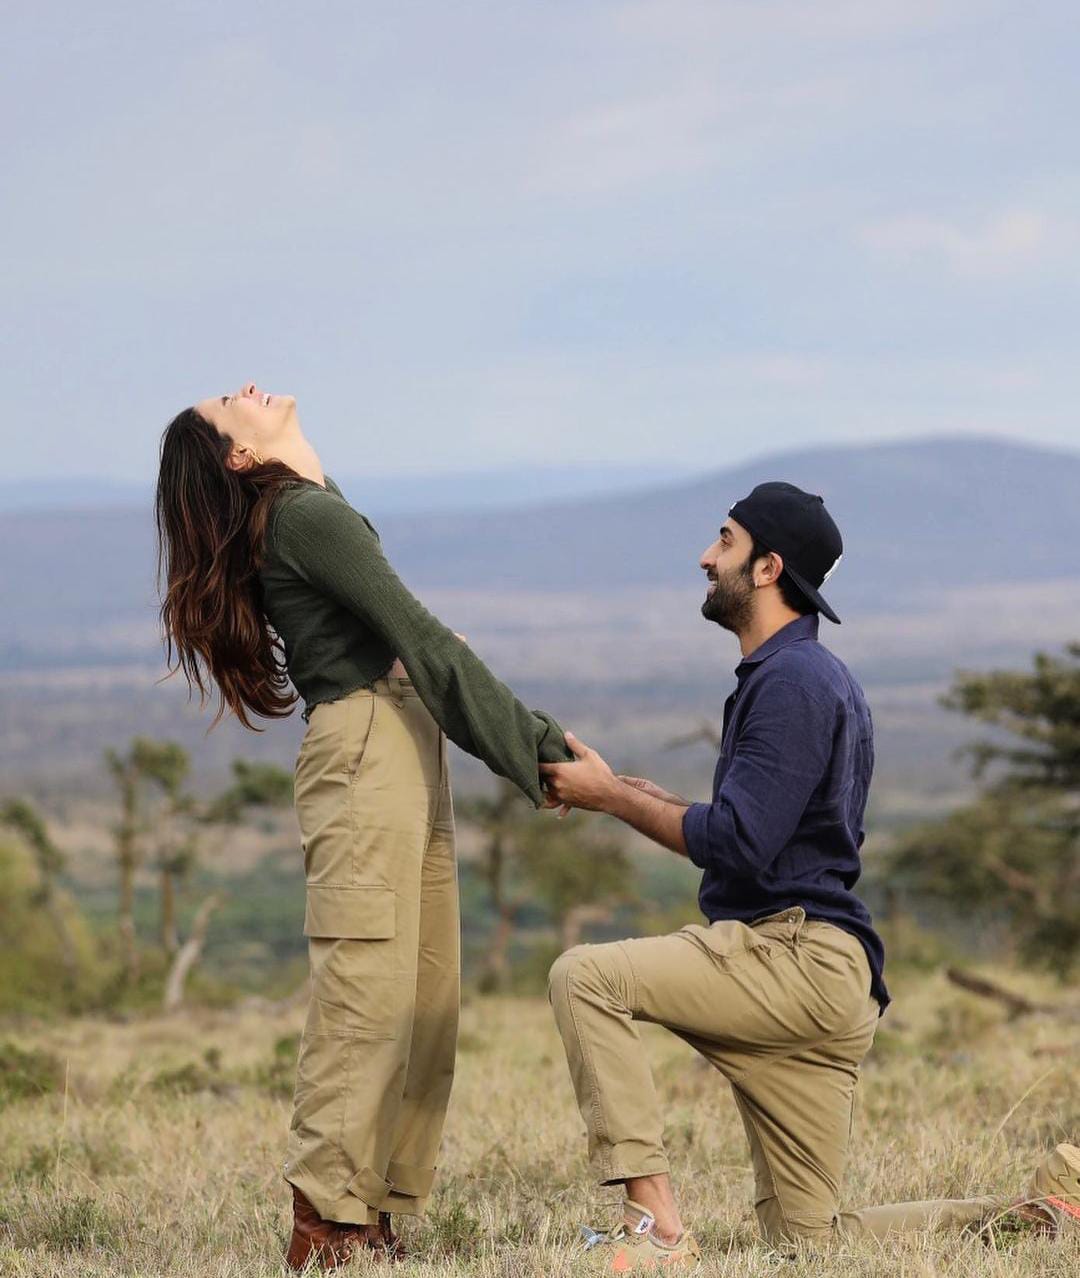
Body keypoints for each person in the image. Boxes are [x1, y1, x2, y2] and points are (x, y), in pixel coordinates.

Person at [541, 482, 1079, 1270]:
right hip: (827, 977)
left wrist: (614, 799)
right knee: (810, 1244)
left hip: (793, 962)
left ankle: (653, 1229)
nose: (704, 555)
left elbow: (740, 842)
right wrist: (631, 793)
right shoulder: (806, 677)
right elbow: (768, 831)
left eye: (723, 541)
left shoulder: (791, 684)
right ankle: (1045, 1215)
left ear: (768, 567)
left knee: (585, 978)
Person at [155, 381, 572, 1270]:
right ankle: (326, 1220)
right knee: (366, 994)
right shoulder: (304, 517)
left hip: (402, 733)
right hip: (366, 739)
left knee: (424, 994)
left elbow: (416, 651)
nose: (246, 389)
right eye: (230, 406)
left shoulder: (313, 506)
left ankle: (373, 1206)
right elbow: (428, 639)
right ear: (240, 456)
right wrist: (538, 750)